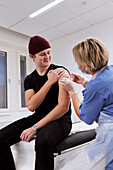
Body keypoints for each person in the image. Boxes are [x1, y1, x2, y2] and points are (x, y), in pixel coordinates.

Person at [0, 35, 72, 170]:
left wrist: (35, 128)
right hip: (38, 116)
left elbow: (63, 107)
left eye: (49, 52)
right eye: (42, 54)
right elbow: (32, 106)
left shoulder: (61, 72)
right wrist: (49, 82)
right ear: (32, 57)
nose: (47, 57)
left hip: (61, 119)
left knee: (43, 141)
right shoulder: (29, 79)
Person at [60, 38, 113, 170]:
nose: (76, 63)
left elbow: (85, 117)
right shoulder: (110, 71)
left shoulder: (95, 86)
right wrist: (85, 82)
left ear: (84, 63)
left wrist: (72, 92)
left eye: (77, 60)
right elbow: (105, 93)